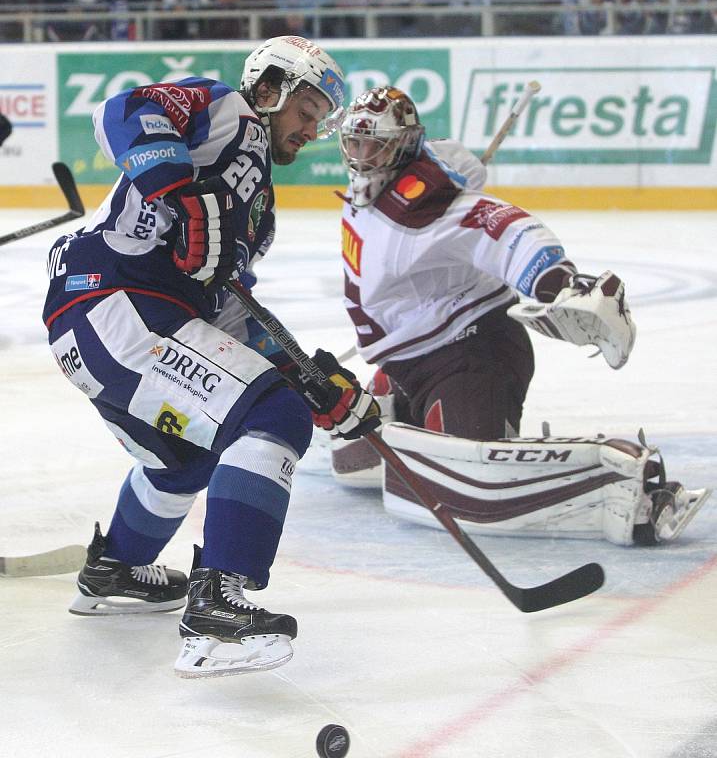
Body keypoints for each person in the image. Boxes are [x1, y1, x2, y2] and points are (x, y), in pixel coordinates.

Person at [42, 35, 380, 679]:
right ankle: (219, 611)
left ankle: (115, 570)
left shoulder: (260, 215)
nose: (310, 130)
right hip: (115, 304)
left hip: (104, 328)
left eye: (318, 121)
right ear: (273, 86)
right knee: (271, 419)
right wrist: (182, 190)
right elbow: (124, 109)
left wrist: (309, 378)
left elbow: (228, 312)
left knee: (184, 460)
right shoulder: (227, 111)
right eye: (306, 111)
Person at [329, 85, 709, 547]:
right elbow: (454, 164)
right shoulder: (380, 185)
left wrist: (557, 280)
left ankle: (625, 480)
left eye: (377, 143)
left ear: (404, 145)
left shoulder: (435, 210)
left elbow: (508, 229)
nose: (363, 155)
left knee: (466, 492)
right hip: (406, 360)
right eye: (355, 141)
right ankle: (400, 402)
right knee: (354, 464)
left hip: (468, 355)